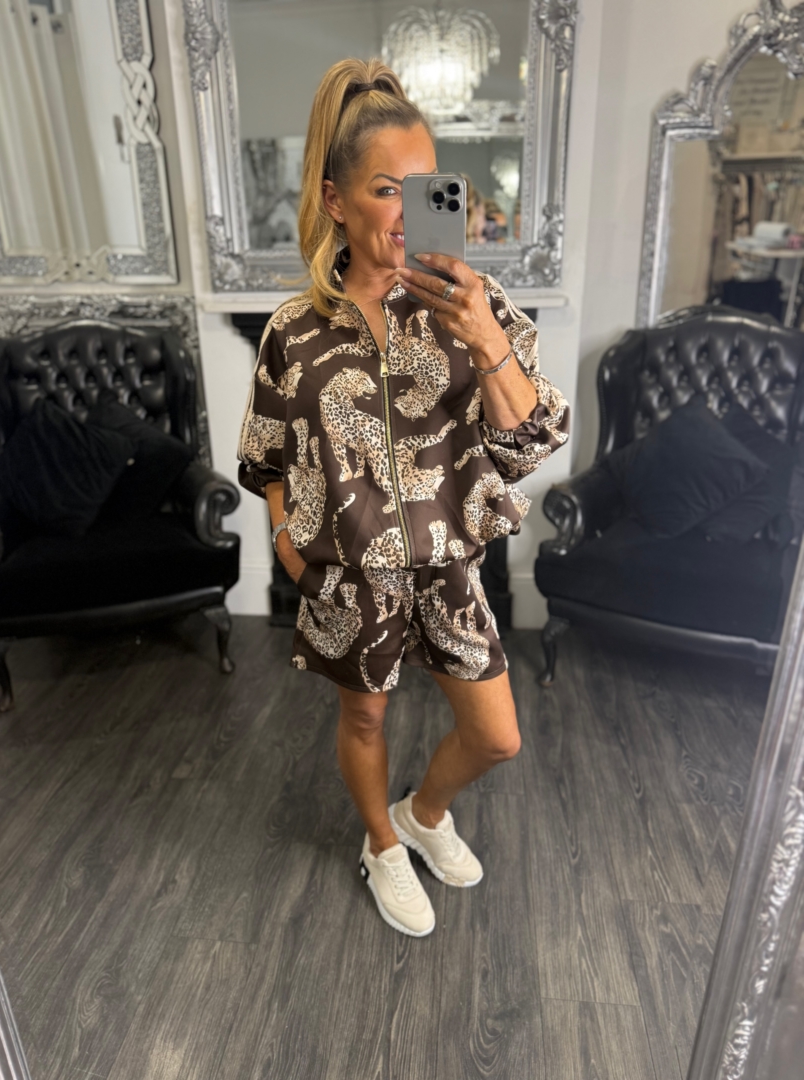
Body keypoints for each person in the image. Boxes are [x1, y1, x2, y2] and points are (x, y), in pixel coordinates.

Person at [237, 58, 570, 938]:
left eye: (427, 189)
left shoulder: (475, 306)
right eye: (388, 189)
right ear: (336, 201)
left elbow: (531, 443)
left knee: (497, 736)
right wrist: (286, 539)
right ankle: (381, 842)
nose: (409, 211)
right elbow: (266, 454)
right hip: (349, 575)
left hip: (449, 568)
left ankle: (423, 814)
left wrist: (484, 336)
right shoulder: (294, 331)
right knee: (364, 715)